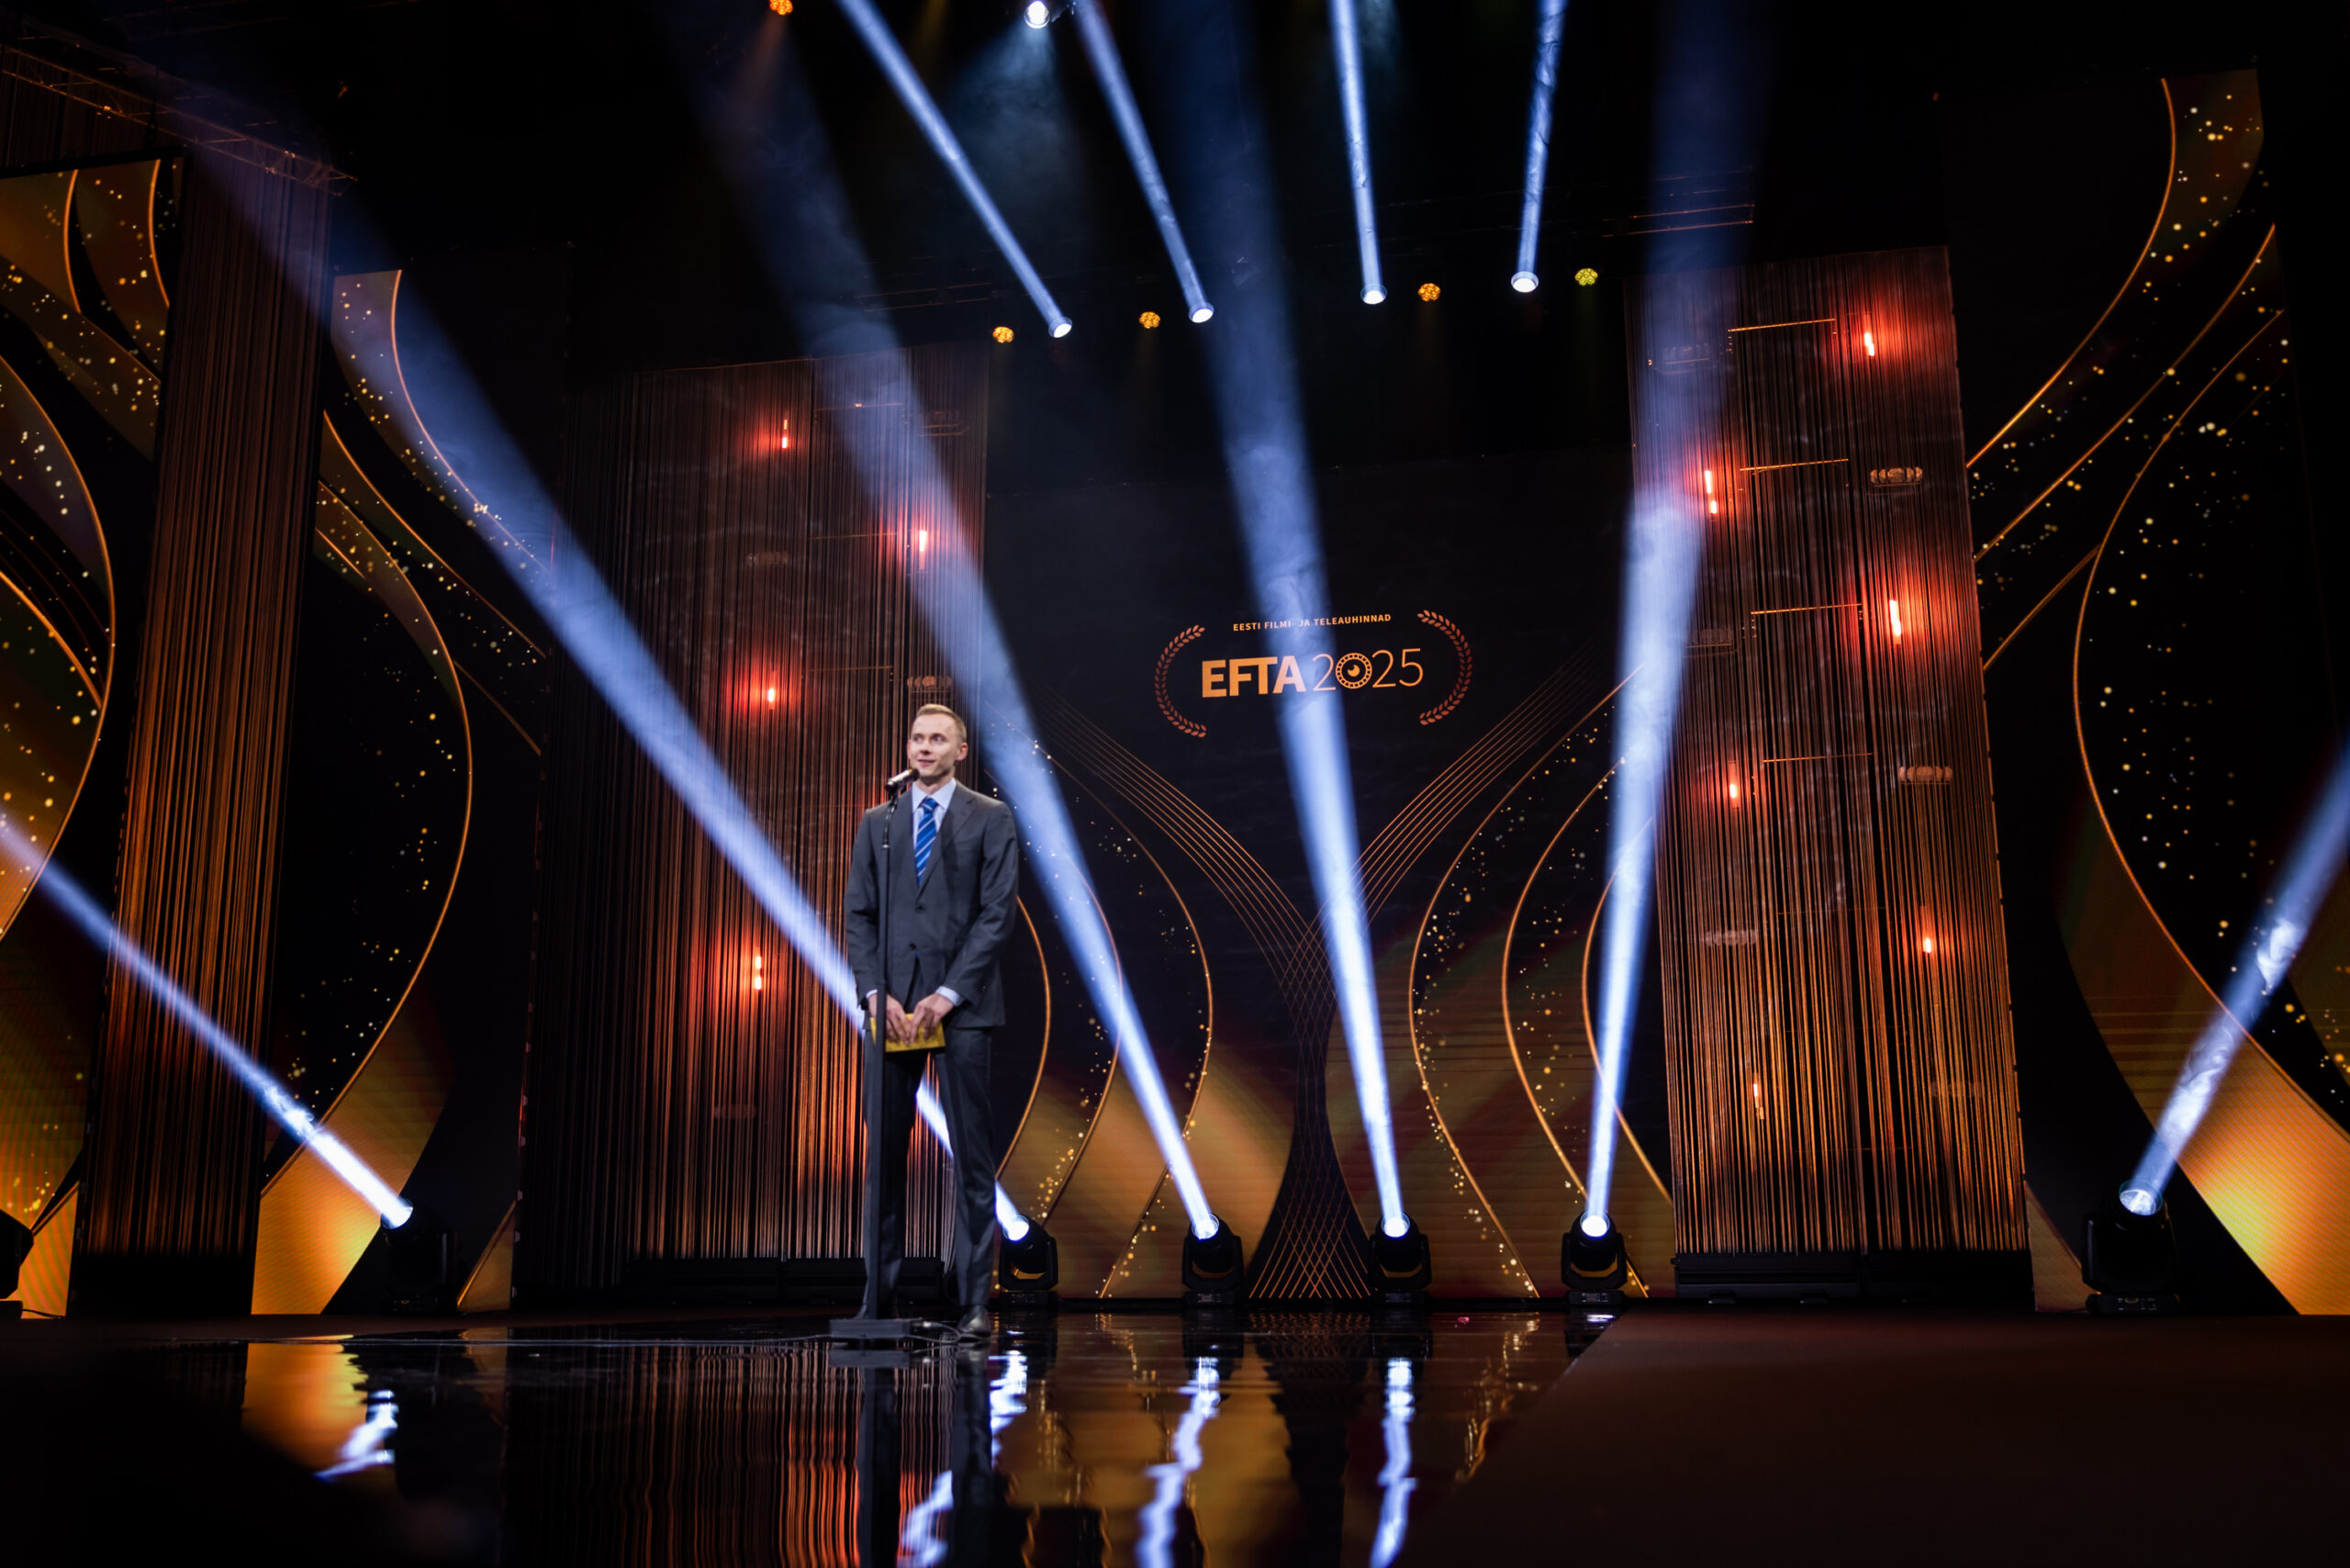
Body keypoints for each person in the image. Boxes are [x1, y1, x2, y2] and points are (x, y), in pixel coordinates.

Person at [844, 703, 1021, 1337]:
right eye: (917, 738)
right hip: (892, 1009)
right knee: (884, 1156)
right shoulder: (880, 822)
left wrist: (947, 993)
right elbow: (859, 914)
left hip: (961, 1007)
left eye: (938, 739)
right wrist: (874, 992)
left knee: (971, 1155)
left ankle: (974, 1302)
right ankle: (878, 1301)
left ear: (960, 751)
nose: (924, 747)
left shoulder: (990, 817)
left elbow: (997, 914)